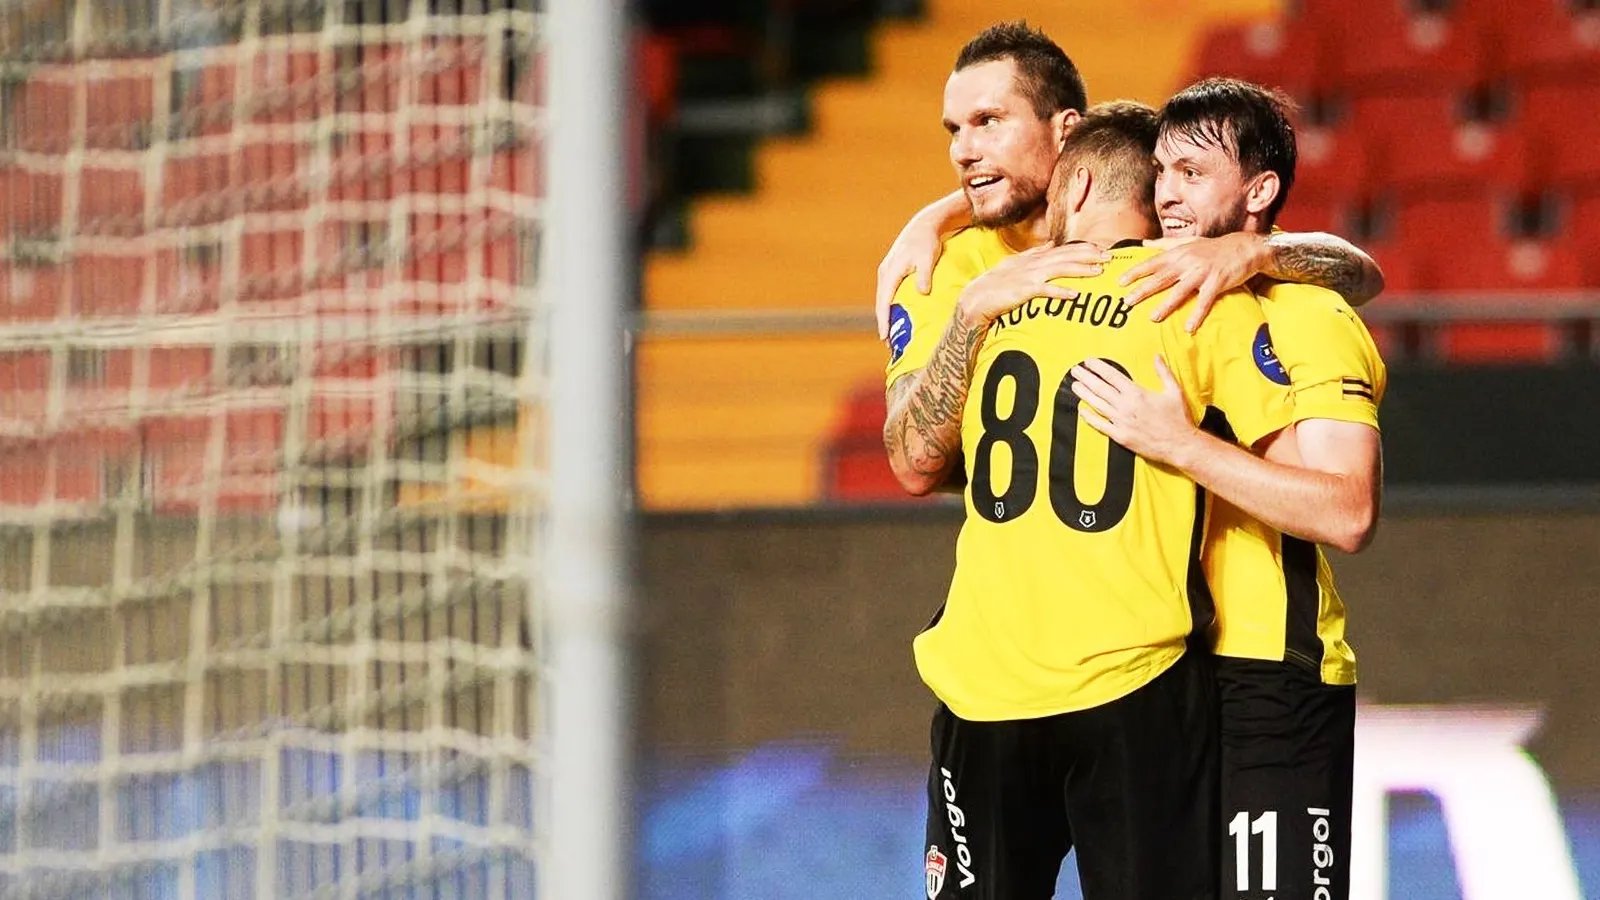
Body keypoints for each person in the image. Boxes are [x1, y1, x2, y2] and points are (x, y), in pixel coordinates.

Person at [916, 98, 1302, 900]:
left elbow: (913, 459)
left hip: (983, 689)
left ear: (1079, 184)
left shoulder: (992, 297)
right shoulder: (1200, 298)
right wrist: (1254, 250)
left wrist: (945, 258)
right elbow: (1310, 489)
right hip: (1135, 687)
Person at [1070, 78, 1386, 900]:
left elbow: (1349, 511)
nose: (1166, 193)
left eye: (1192, 172)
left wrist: (1180, 444)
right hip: (1162, 674)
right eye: (1160, 171)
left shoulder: (1310, 315)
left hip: (1271, 674)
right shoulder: (1157, 298)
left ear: (1258, 191)